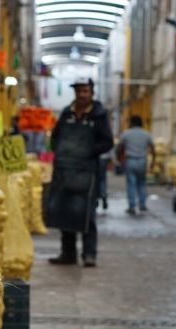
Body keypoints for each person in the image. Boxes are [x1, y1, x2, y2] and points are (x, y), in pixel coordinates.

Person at [46, 77, 114, 267]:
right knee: (64, 212)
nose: (82, 95)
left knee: (86, 214)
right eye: (79, 91)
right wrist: (59, 151)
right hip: (64, 170)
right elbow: (56, 136)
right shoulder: (67, 112)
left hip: (86, 172)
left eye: (85, 91)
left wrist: (89, 152)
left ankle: (89, 254)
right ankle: (67, 254)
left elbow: (108, 142)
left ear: (92, 93)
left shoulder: (99, 115)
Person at [116, 115, 155, 215]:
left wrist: (119, 158)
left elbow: (120, 147)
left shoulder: (126, 134)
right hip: (142, 161)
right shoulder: (146, 134)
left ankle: (132, 206)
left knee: (131, 184)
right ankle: (142, 204)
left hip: (131, 161)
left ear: (132, 123)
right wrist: (153, 162)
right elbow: (153, 149)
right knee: (142, 183)